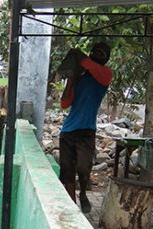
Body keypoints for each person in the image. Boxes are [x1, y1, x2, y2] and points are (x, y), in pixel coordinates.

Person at [59, 42, 113, 213]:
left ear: (107, 58)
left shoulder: (105, 75)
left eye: (101, 53)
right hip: (68, 132)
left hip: (87, 131)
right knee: (67, 172)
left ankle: (82, 193)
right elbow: (64, 103)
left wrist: (79, 56)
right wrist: (72, 79)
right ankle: (71, 205)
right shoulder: (80, 80)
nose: (98, 55)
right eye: (95, 52)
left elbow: (90, 65)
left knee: (83, 167)